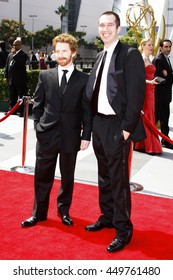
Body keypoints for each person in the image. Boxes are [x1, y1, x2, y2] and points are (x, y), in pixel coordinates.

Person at [85, 11, 146, 253]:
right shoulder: (100, 55)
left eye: (110, 25)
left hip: (117, 127)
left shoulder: (129, 54)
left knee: (119, 181)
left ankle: (123, 229)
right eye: (101, 25)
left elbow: (136, 94)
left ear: (118, 28)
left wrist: (126, 129)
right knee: (104, 177)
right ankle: (108, 217)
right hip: (100, 125)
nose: (105, 29)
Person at [21, 33, 92, 228]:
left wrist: (86, 135)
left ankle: (64, 211)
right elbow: (38, 104)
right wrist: (39, 127)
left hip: (71, 136)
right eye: (57, 51)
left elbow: (87, 111)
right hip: (47, 134)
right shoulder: (45, 75)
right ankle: (38, 214)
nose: (60, 55)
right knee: (42, 175)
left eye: (64, 51)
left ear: (73, 53)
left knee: (67, 177)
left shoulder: (84, 79)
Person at [134, 38, 162, 154]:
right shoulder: (141, 59)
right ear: (142, 46)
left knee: (150, 115)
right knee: (147, 115)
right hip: (145, 91)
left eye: (152, 45)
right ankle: (147, 144)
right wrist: (150, 82)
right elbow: (137, 78)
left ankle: (142, 143)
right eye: (149, 45)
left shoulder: (149, 59)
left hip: (151, 91)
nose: (151, 47)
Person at [152, 39, 173, 149]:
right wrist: (168, 75)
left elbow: (167, 76)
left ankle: (163, 140)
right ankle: (164, 140)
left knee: (162, 118)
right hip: (159, 96)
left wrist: (168, 74)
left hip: (165, 95)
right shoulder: (158, 59)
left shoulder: (166, 59)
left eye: (170, 47)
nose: (168, 49)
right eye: (166, 47)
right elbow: (156, 77)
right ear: (161, 47)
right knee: (162, 119)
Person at [4, 39, 28, 117]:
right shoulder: (10, 55)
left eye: (16, 45)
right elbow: (7, 67)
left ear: (20, 45)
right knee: (12, 96)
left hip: (20, 80)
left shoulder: (23, 55)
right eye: (13, 45)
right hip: (11, 79)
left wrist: (15, 55)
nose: (14, 46)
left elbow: (21, 64)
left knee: (21, 96)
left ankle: (21, 111)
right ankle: (12, 110)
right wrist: (6, 76)